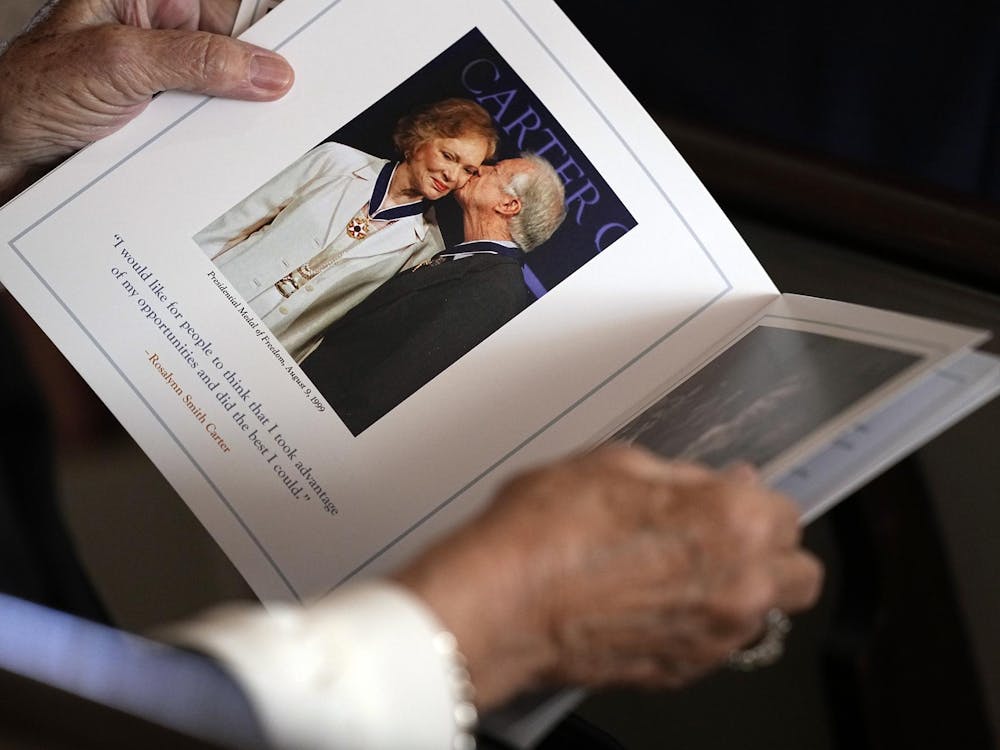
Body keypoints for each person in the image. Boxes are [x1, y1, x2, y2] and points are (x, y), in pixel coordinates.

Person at [0, 2, 824, 749]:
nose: (465, 177)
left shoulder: (451, 266)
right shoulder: (343, 173)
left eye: (482, 169)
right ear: (421, 142)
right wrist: (488, 622)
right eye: (462, 160)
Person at [194, 98, 499, 362]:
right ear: (421, 138)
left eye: (468, 170)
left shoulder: (426, 247)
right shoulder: (336, 161)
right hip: (212, 294)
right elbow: (232, 225)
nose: (452, 174)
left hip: (267, 347)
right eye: (449, 156)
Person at [301, 153, 566, 434]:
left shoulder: (494, 290)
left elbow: (398, 382)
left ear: (508, 204)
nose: (479, 168)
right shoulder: (473, 263)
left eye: (494, 169)